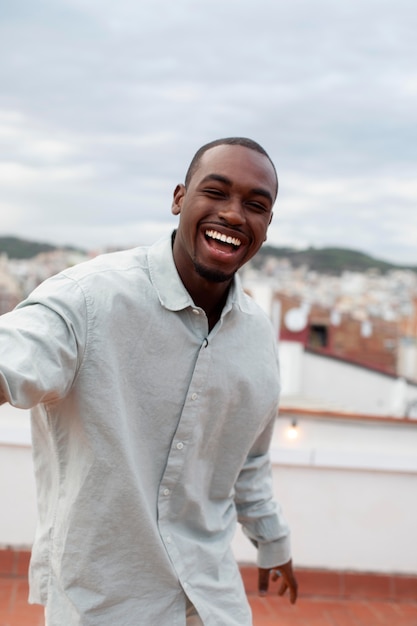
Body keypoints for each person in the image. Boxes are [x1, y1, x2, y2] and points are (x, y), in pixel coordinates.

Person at [0, 137, 298, 625]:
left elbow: (249, 461)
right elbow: (19, 351)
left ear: (266, 225)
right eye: (216, 192)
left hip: (211, 598)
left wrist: (273, 542)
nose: (233, 214)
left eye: (255, 205)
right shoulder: (91, 297)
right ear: (179, 198)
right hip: (105, 602)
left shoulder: (259, 338)